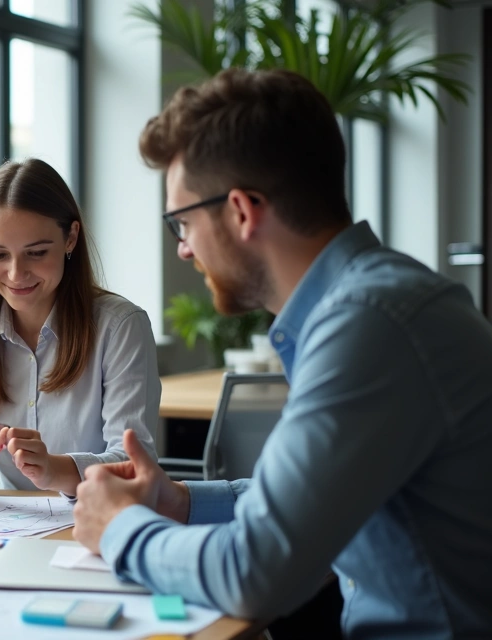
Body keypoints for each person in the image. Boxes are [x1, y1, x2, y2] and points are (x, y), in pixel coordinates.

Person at [72, 68, 492, 638]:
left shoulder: (370, 326)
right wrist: (177, 501)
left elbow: (256, 572)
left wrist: (118, 527)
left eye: (182, 222)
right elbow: (299, 500)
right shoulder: (373, 302)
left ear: (242, 211)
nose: (183, 247)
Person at [0, 159, 160, 497]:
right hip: (10, 530)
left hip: (98, 522)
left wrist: (54, 470)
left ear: (70, 238)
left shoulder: (119, 327)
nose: (16, 274)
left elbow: (135, 462)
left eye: (36, 253)